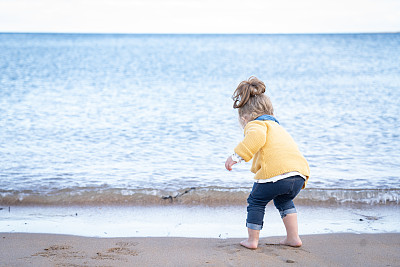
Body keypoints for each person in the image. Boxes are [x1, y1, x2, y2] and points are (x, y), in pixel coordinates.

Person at [225, 76, 310, 249]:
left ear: (244, 118)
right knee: (284, 201)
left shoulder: (255, 125)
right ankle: (293, 238)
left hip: (276, 173)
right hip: (298, 174)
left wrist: (235, 157)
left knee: (256, 201)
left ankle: (252, 240)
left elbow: (255, 139)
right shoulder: (277, 127)